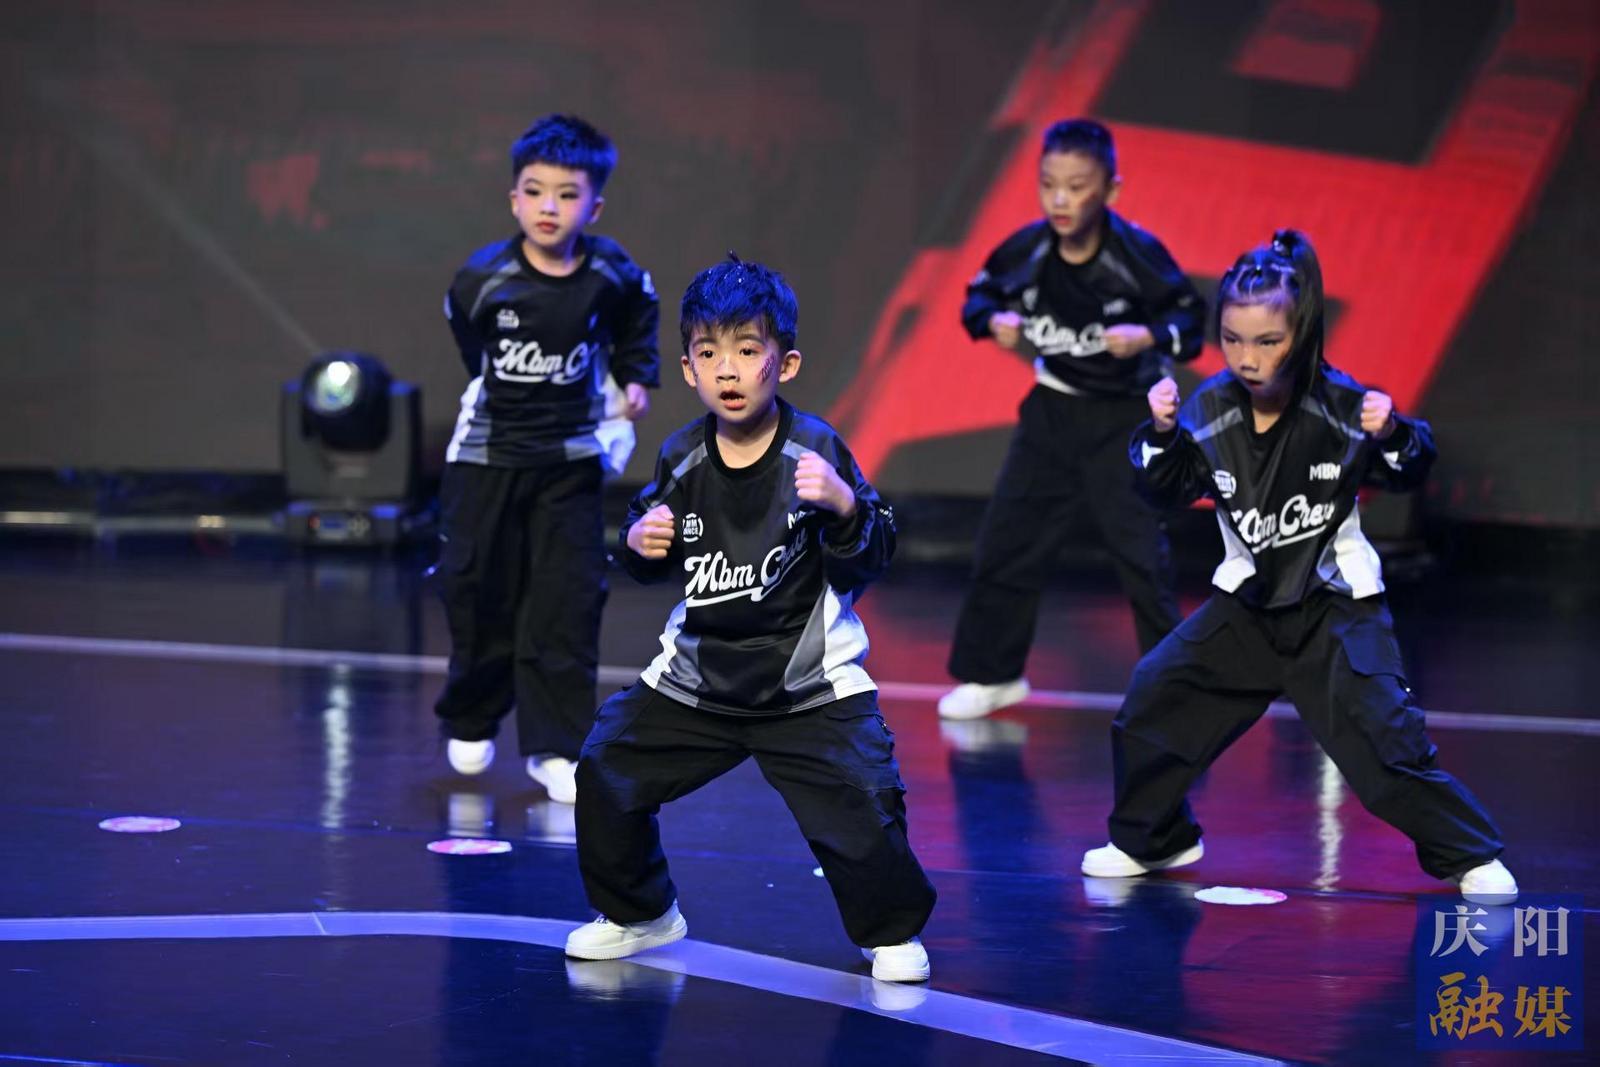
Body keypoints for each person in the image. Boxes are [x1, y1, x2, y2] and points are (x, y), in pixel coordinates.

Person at [1080, 230, 1517, 904]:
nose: (1247, 358)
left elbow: (1409, 467)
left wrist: (1391, 433)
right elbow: (1165, 488)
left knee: (1386, 746)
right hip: (1248, 607)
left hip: (1334, 608)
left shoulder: (1340, 406)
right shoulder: (1209, 408)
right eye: (1232, 339)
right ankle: (1155, 837)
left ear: (1301, 334)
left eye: (1267, 341)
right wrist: (1162, 437)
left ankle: (1469, 853)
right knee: (1154, 702)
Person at [564, 258, 938, 982]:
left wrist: (845, 506)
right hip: (699, 680)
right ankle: (641, 913)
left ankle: (890, 930)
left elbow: (872, 554)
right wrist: (638, 541)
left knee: (862, 809)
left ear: (784, 363)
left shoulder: (816, 450)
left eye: (745, 349)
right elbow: (650, 544)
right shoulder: (681, 455)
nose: (727, 370)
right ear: (688, 368)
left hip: (807, 684)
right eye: (708, 353)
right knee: (607, 767)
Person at [939, 118, 1205, 721]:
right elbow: (978, 299)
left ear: (1110, 190)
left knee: (1142, 557)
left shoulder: (1137, 255)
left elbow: (1191, 321)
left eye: (1077, 186)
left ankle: (1175, 689)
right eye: (1048, 184)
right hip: (1052, 410)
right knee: (1007, 542)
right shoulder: (1027, 250)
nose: (1060, 200)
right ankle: (994, 676)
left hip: (1125, 416)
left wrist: (1148, 336)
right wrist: (994, 323)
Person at [432, 114, 660, 804]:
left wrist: (635, 377)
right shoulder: (482, 279)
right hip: (488, 459)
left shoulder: (614, 274)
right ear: (514, 200)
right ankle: (472, 713)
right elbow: (469, 343)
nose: (549, 207)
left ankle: (556, 746)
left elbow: (638, 323)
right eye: (534, 192)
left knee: (567, 601)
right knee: (478, 593)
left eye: (567, 194)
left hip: (572, 460)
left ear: (594, 206)